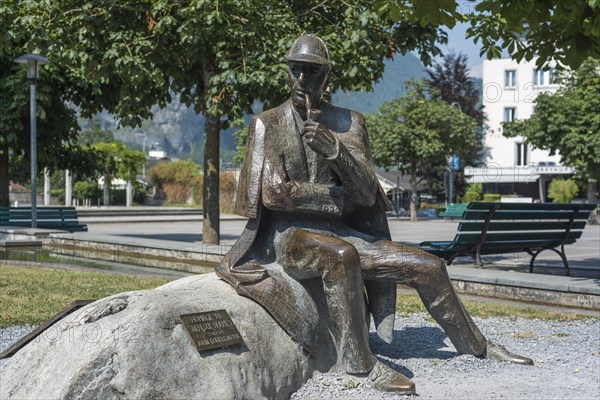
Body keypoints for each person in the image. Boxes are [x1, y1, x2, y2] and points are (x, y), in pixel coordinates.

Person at [217, 34, 532, 395]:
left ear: (327, 76)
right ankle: (358, 365)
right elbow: (275, 195)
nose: (302, 80)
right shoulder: (267, 124)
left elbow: (367, 194)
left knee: (429, 267)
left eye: (312, 72)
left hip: (344, 231)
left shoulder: (349, 123)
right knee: (341, 256)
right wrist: (335, 197)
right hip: (289, 238)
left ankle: (476, 346)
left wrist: (336, 151)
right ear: (287, 72)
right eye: (296, 70)